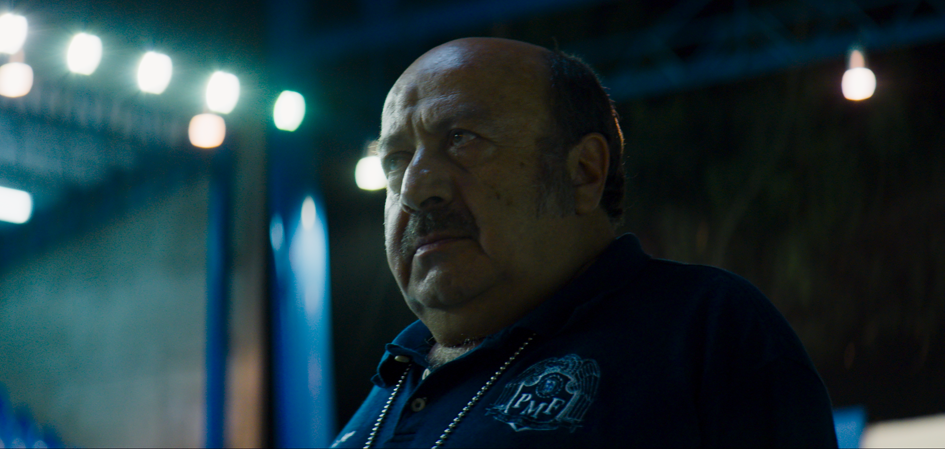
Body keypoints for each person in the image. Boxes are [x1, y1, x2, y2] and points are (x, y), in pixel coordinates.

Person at [331, 37, 837, 448]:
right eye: (395, 160)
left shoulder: (703, 329)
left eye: (462, 138)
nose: (416, 188)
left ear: (583, 172)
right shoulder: (386, 389)